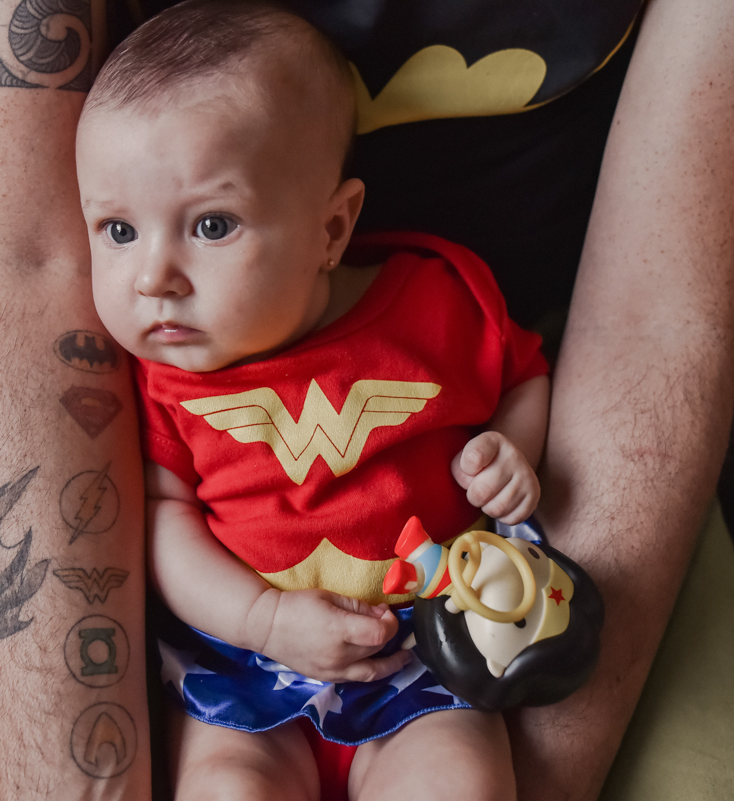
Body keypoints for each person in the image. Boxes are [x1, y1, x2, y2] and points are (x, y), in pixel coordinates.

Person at [0, 0, 734, 798]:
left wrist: (500, 710)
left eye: (208, 227)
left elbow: (660, 307)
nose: (163, 261)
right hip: (83, 369)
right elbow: (33, 266)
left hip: (562, 386)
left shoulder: (451, 308)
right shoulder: (142, 316)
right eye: (131, 230)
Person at [76, 5, 551, 796]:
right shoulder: (159, 377)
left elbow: (526, 374)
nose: (152, 276)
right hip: (249, 666)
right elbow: (163, 517)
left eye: (212, 224)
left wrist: (512, 447)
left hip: (422, 654)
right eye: (118, 231)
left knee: (461, 783)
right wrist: (264, 620)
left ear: (331, 230)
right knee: (226, 787)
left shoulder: (435, 304)